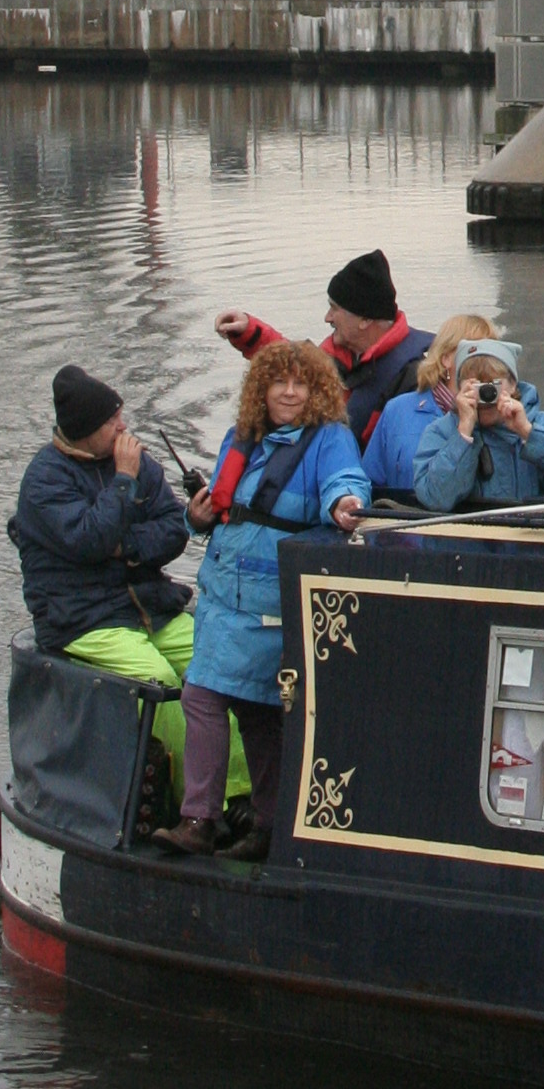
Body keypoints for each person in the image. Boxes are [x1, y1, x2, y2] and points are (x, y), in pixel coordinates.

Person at [157, 339, 371, 865]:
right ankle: (264, 827)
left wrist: (346, 505)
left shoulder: (329, 440)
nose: (291, 393)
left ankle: (201, 821)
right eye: (280, 383)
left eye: (302, 383)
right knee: (253, 713)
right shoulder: (243, 436)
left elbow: (345, 481)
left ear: (317, 390)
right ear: (263, 389)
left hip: (266, 601)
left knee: (212, 702)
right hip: (221, 596)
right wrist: (197, 516)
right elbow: (220, 511)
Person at [8, 365, 194, 812]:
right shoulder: (44, 481)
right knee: (160, 681)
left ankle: (233, 796)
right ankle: (185, 805)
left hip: (150, 605)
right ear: (87, 431)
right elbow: (89, 540)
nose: (123, 427)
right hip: (82, 617)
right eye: (113, 421)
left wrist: (126, 547)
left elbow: (174, 529)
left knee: (217, 664)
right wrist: (124, 481)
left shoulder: (136, 460)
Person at [214, 249, 434, 455]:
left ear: (365, 320)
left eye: (335, 308)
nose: (327, 318)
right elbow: (293, 360)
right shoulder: (341, 354)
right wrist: (248, 331)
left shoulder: (415, 376)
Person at [403, 339, 544, 514]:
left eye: (493, 386)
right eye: (478, 388)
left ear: (513, 385)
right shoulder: (441, 432)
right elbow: (435, 498)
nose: (486, 396)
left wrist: (528, 433)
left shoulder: (541, 424)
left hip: (534, 542)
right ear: (461, 388)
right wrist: (463, 434)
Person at [363, 311, 500, 496]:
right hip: (403, 518)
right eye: (475, 352)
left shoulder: (498, 413)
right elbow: (370, 482)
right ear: (446, 358)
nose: (485, 362)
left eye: (492, 354)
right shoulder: (398, 410)